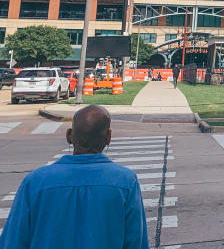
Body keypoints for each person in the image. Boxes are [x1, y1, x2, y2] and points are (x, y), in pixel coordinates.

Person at [0, 104, 149, 249]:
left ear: (69, 135)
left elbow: (14, 241)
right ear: (108, 137)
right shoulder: (125, 182)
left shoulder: (34, 182)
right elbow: (135, 241)